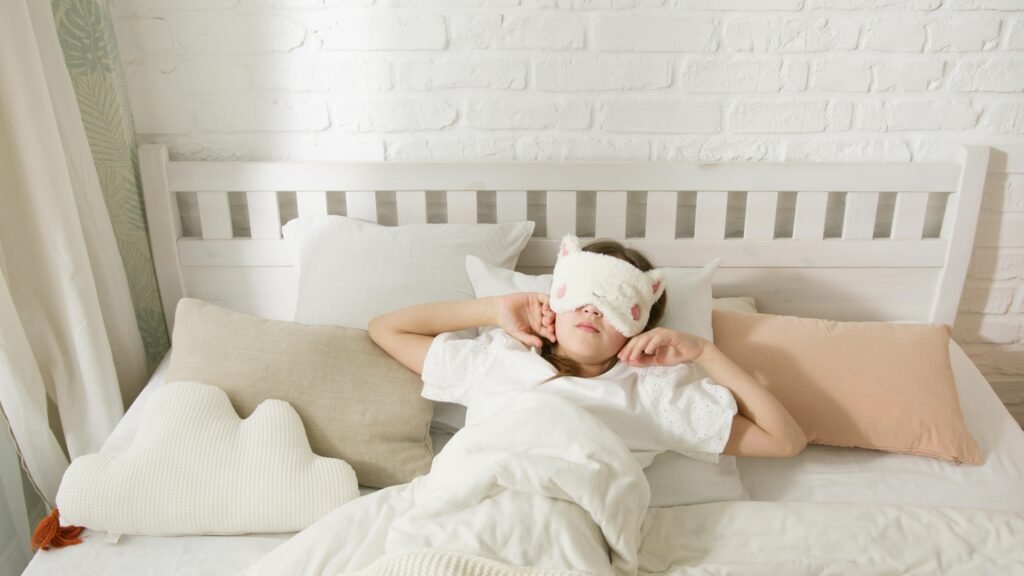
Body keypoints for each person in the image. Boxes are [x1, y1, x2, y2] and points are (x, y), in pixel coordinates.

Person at [368, 235, 806, 469]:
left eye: (613, 303)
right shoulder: (499, 358)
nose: (592, 308)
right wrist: (493, 309)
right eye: (580, 295)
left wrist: (706, 353)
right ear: (554, 302)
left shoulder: (653, 396)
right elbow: (385, 328)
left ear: (637, 330)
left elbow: (786, 441)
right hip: (470, 500)